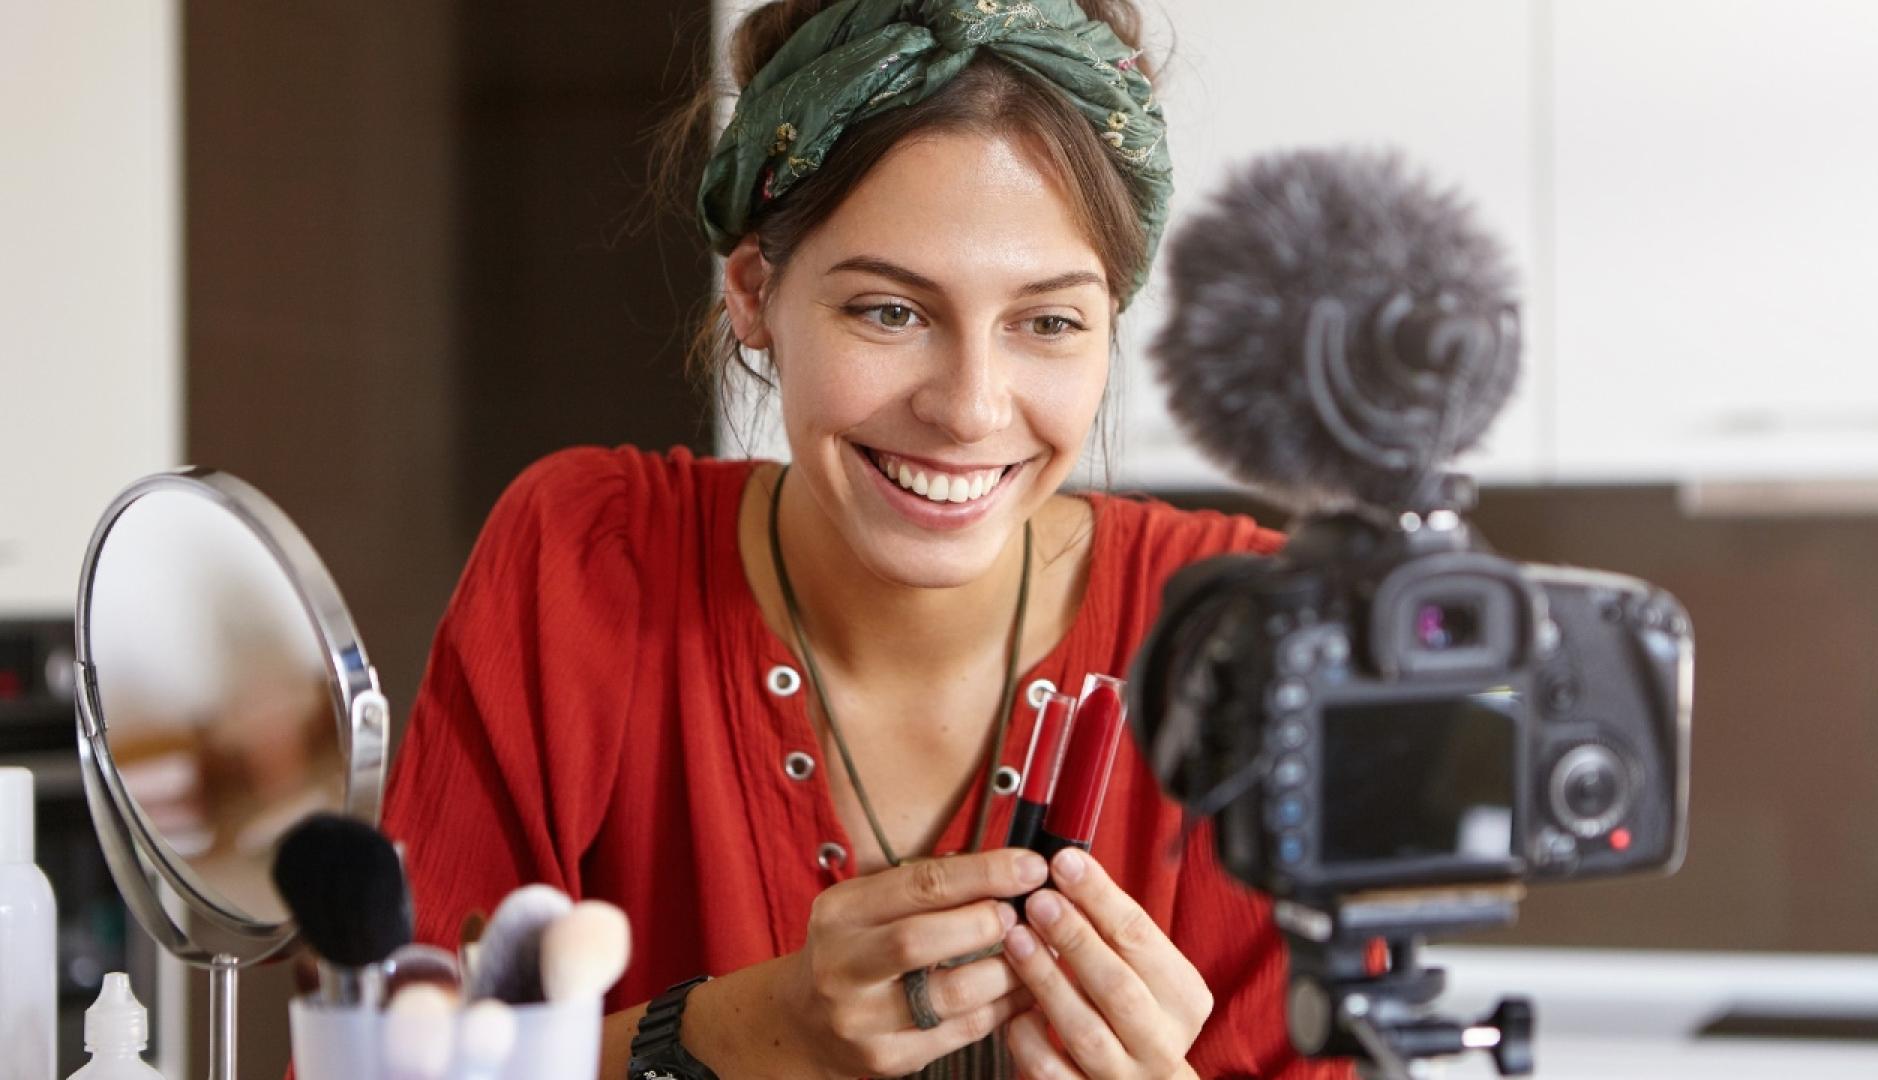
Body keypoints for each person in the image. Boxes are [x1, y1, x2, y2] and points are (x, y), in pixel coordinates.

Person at [382, 1, 1353, 1077]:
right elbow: (370, 1061)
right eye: (890, 311)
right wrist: (739, 1034)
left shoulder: (1241, 638)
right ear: (754, 292)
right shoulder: (579, 563)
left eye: (1049, 322)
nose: (972, 409)